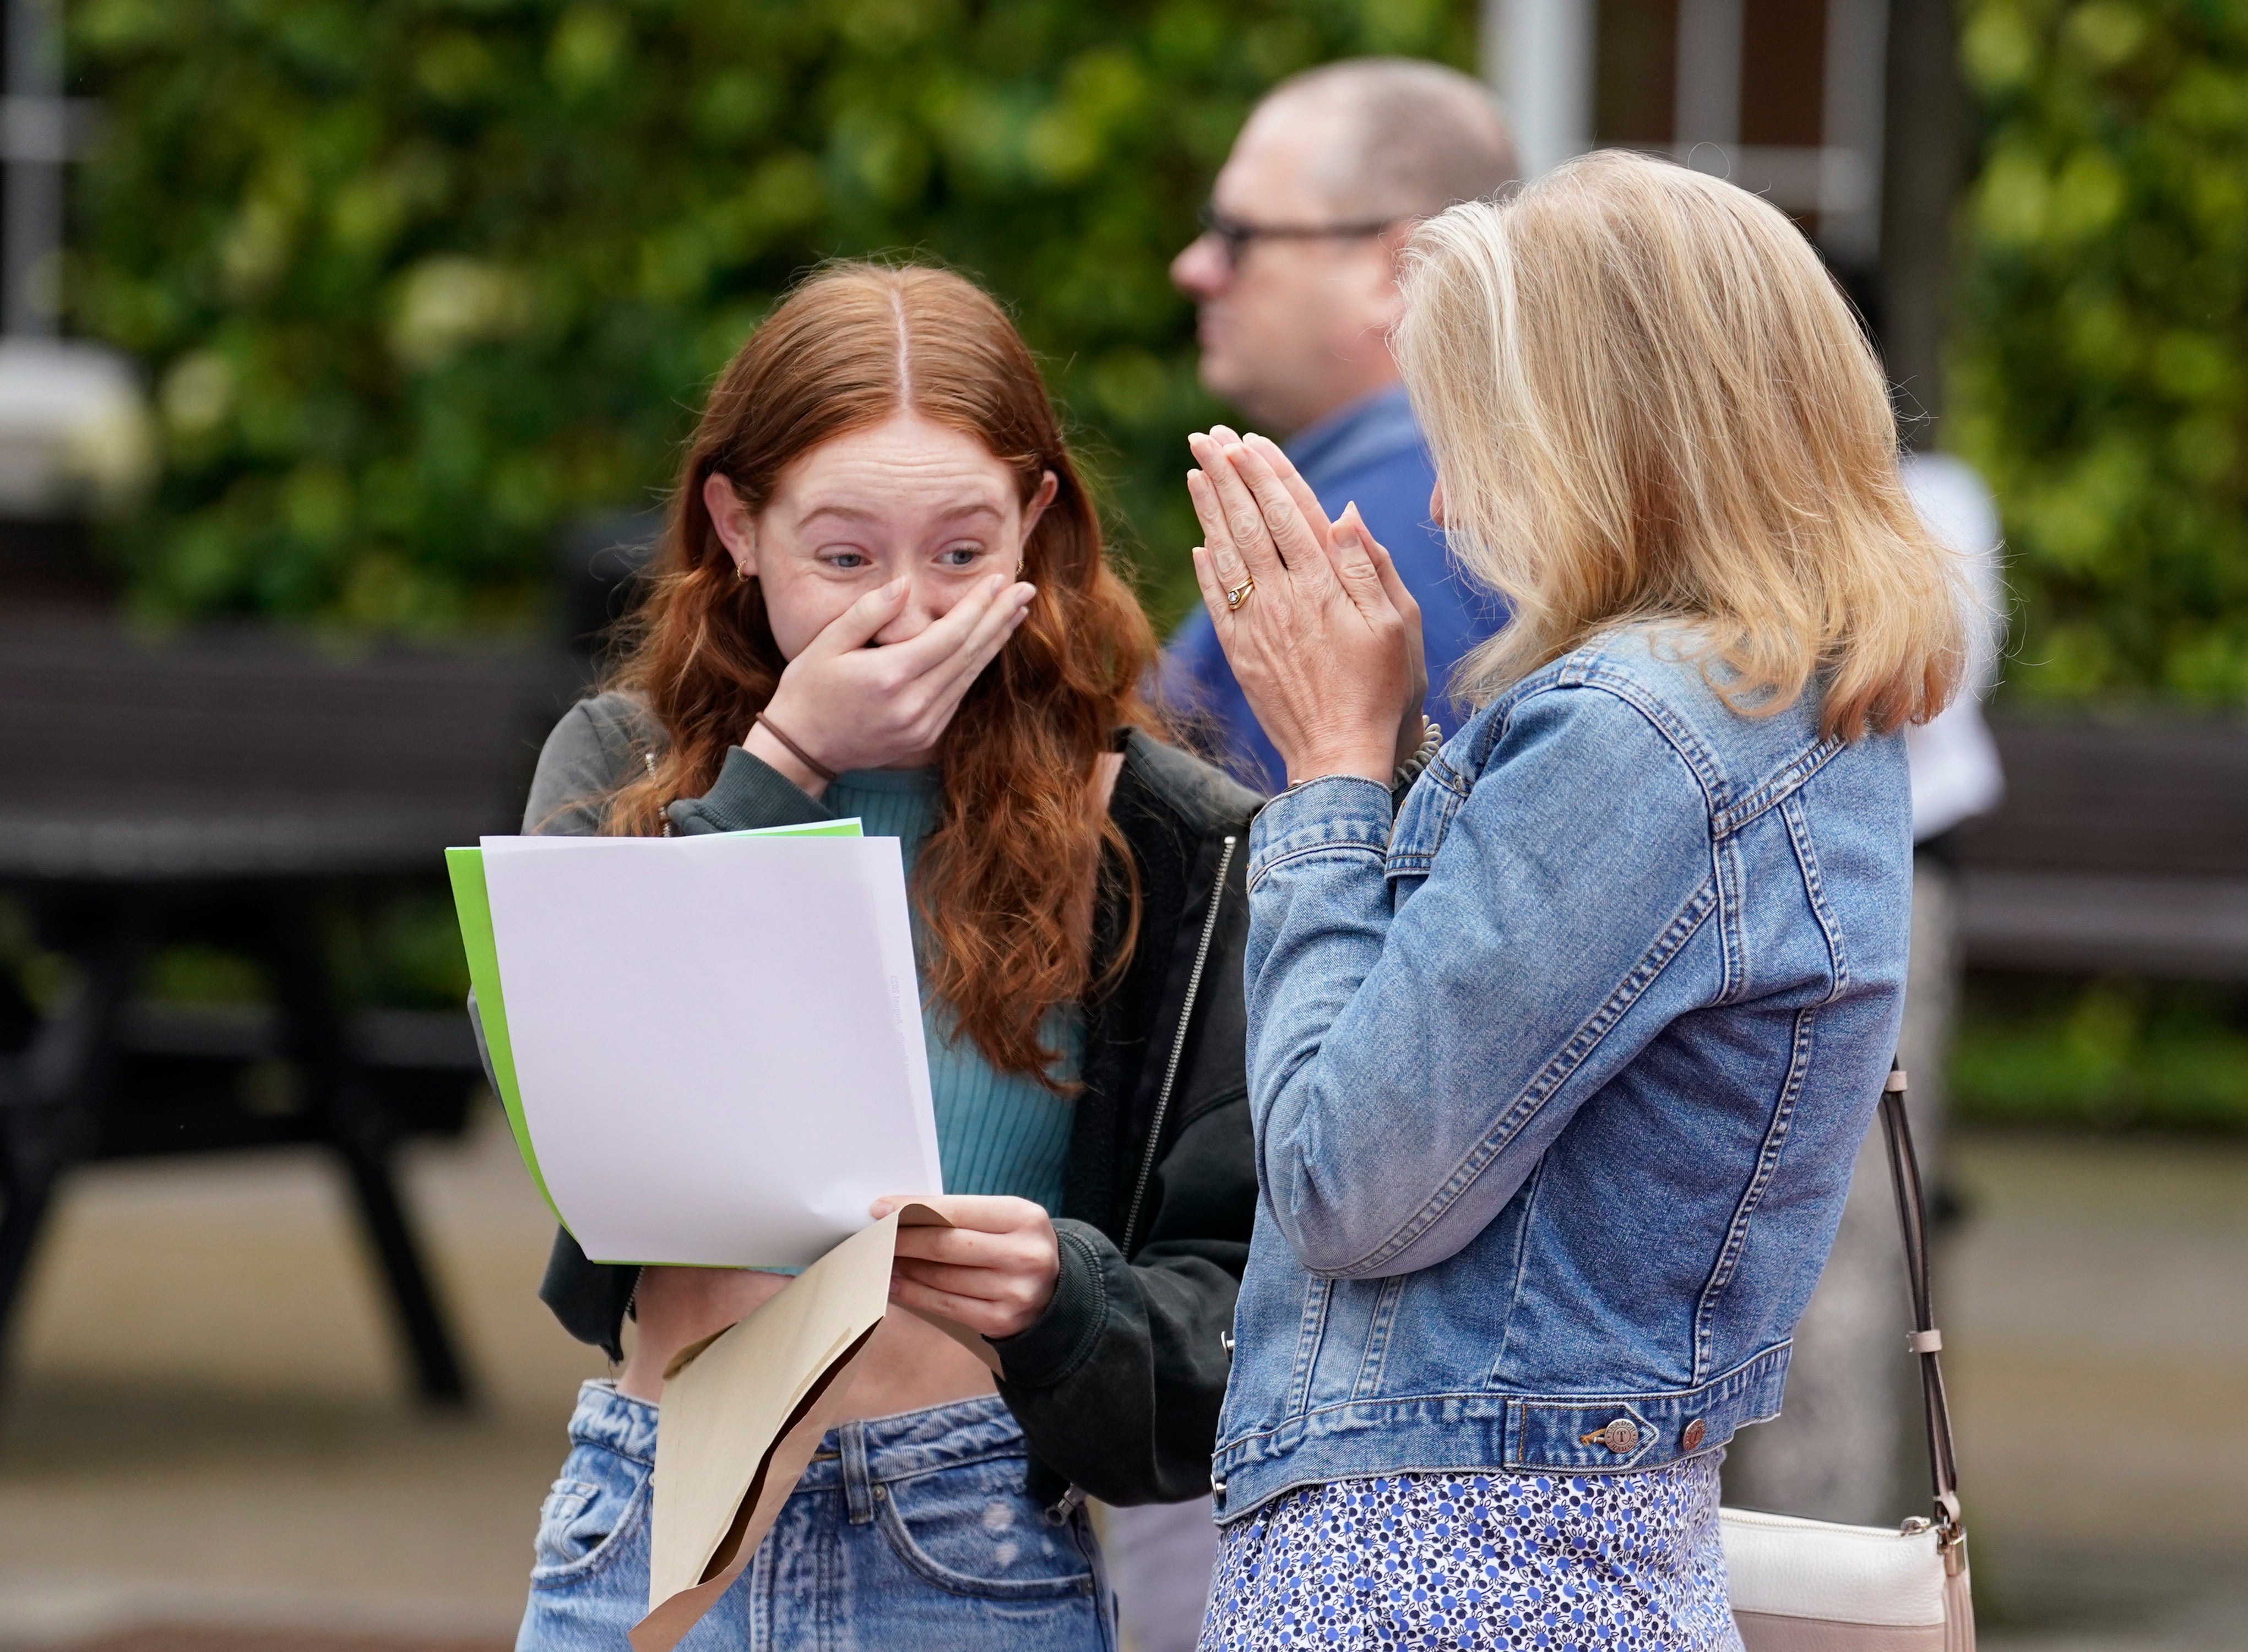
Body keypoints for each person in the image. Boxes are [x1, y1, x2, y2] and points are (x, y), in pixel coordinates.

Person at [1180, 149, 1967, 1647]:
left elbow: (1348, 1179)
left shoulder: (1640, 728)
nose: (1448, 483)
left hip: (1442, 1568)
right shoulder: (1793, 698)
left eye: (1472, 418)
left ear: (1596, 431)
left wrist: (1335, 772)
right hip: (1587, 1547)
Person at [502, 264, 1259, 1652]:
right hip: (658, 1510)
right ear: (737, 523)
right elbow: (593, 1123)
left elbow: (1233, 1300)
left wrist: (1059, 1290)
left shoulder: (1162, 836)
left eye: (962, 555)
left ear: (1036, 523)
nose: (905, 615)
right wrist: (784, 763)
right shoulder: (622, 766)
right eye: (845, 558)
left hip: (964, 1522)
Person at [1722, 450, 2008, 1526]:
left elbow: (1912, 690)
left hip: (1879, 878)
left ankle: (1817, 1571)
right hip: (1763, 879)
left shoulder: (1925, 500)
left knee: (1845, 1252)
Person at [1159, 57, 1518, 792]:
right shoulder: (1500, 496)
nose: (1194, 269)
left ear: (1397, 268)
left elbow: (1267, 884)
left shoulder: (1389, 530)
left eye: (1238, 234)